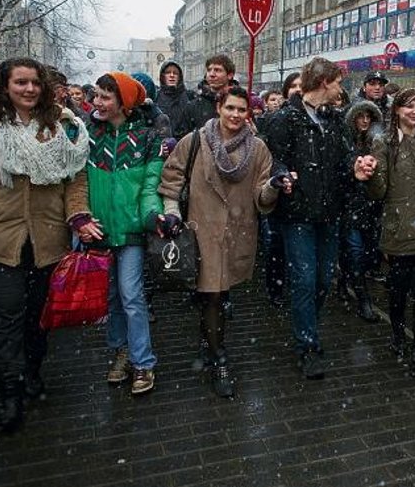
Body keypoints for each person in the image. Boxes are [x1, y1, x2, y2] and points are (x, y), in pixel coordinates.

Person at [0, 58, 91, 431]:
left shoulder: (62, 126)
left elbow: (75, 179)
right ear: (4, 86)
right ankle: (9, 393)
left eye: (35, 82)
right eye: (20, 82)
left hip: (47, 240)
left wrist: (79, 215)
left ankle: (33, 371)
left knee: (39, 319)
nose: (28, 89)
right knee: (8, 319)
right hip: (0, 238)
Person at [159, 86, 283, 397]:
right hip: (200, 231)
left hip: (237, 232)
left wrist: (273, 186)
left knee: (218, 294)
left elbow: (260, 196)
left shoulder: (258, 149)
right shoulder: (195, 141)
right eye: (230, 108)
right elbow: (171, 181)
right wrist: (172, 214)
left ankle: (207, 341)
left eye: (242, 110)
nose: (236, 115)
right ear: (219, 107)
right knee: (212, 296)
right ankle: (219, 359)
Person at [265, 57, 352, 380]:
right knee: (303, 279)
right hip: (298, 213)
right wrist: (282, 175)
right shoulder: (285, 118)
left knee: (324, 279)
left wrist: (357, 167)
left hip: (329, 213)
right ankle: (306, 345)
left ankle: (309, 327)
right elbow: (274, 160)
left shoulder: (334, 119)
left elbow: (346, 157)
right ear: (324, 82)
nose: (341, 90)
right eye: (339, 82)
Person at [355, 88, 415, 383]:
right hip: (399, 232)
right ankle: (397, 333)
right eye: (409, 106)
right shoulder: (383, 143)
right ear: (397, 110)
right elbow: (378, 191)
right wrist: (367, 177)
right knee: (398, 293)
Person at [86, 73, 166, 395]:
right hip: (99, 231)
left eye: (106, 96)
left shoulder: (148, 139)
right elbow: (79, 182)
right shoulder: (89, 135)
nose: (98, 103)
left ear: (124, 102)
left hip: (131, 231)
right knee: (112, 299)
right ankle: (120, 352)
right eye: (96, 96)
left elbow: (150, 186)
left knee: (131, 296)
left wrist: (151, 216)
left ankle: (143, 362)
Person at [340, 98, 384, 322]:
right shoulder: (343, 141)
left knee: (366, 254)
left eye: (369, 117)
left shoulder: (378, 142)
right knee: (355, 252)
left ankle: (345, 281)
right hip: (349, 207)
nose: (365, 121)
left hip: (371, 207)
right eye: (361, 116)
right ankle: (363, 299)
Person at [175, 54, 234, 138]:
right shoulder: (193, 107)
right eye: (209, 70)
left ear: (229, 75)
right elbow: (181, 140)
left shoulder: (240, 104)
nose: (211, 74)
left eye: (217, 70)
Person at [156, 61, 189, 134]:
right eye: (168, 72)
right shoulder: (156, 96)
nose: (172, 75)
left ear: (179, 77)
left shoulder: (189, 96)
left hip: (184, 142)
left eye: (175, 73)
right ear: (162, 76)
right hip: (161, 141)